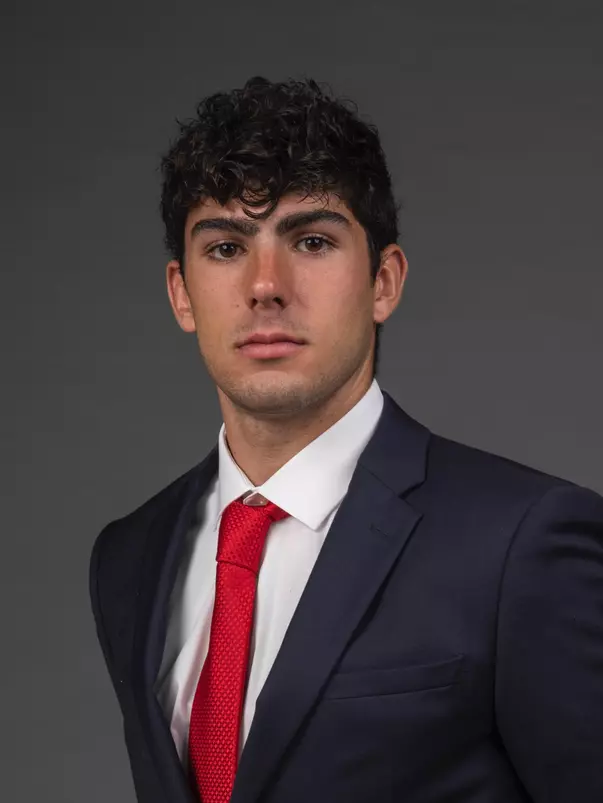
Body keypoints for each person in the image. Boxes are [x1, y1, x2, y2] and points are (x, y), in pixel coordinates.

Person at [89, 76, 603, 803]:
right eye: (227, 247)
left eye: (311, 240)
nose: (266, 285)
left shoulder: (520, 544)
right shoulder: (129, 557)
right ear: (181, 293)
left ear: (383, 281)